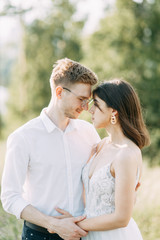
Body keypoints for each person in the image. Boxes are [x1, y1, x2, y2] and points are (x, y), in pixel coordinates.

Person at [1, 58, 101, 240]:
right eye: (81, 99)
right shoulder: (23, 137)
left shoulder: (89, 133)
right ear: (59, 92)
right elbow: (10, 197)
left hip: (85, 234)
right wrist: (53, 224)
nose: (86, 107)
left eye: (88, 101)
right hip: (39, 235)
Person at [56, 79, 150, 240]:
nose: (90, 110)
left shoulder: (126, 154)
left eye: (96, 104)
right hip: (90, 234)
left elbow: (121, 218)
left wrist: (75, 225)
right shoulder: (100, 146)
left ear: (114, 112)